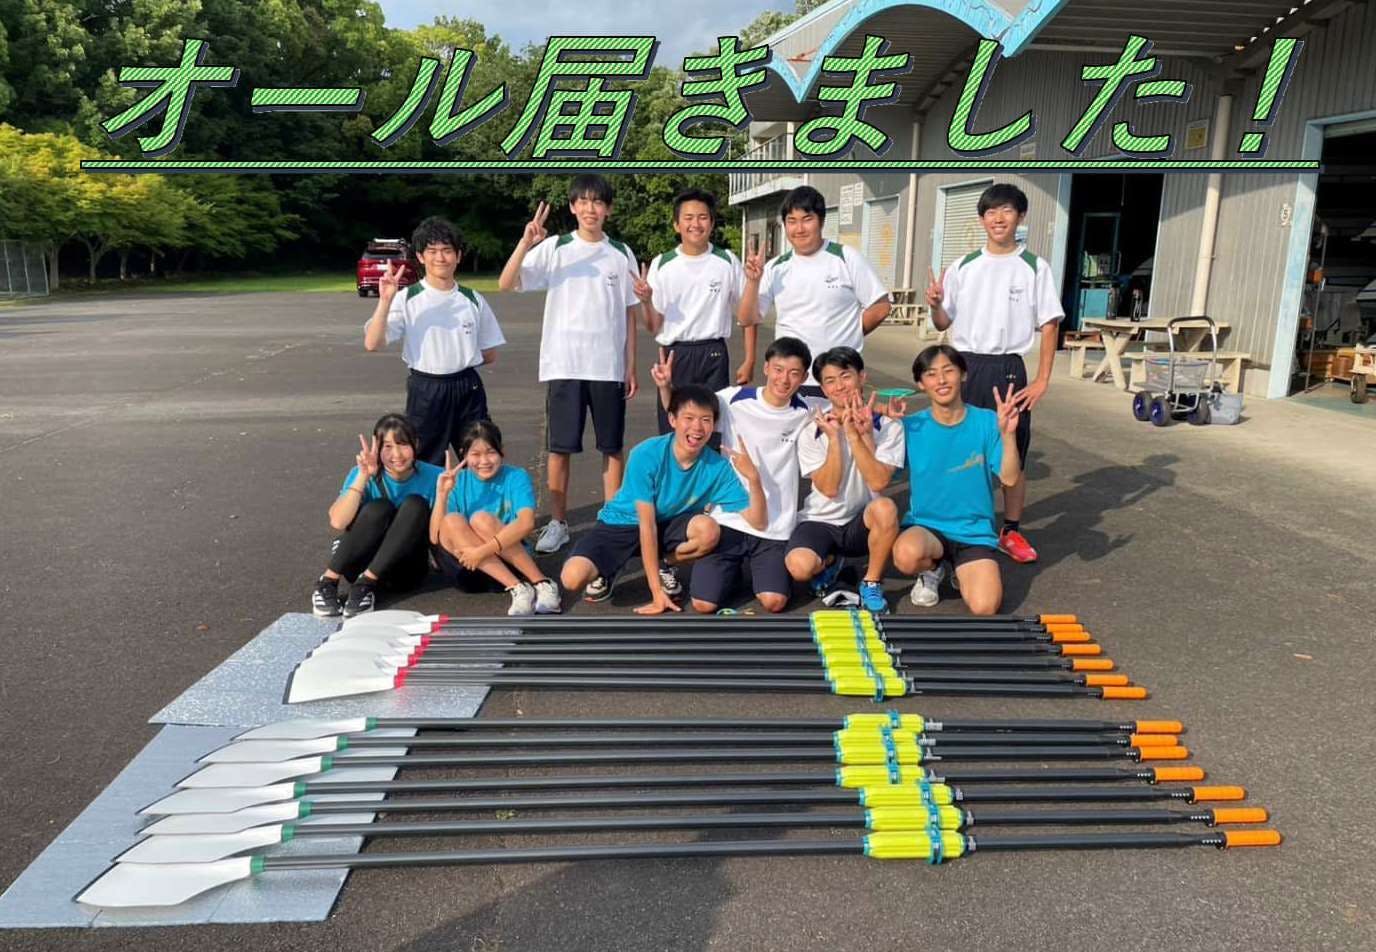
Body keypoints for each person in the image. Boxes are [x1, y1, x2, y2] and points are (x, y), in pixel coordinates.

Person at [499, 175, 640, 555]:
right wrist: (526, 242)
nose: (591, 209)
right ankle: (558, 522)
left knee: (611, 447)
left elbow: (629, 313)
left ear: (608, 209)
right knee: (559, 448)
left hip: (607, 366)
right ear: (573, 206)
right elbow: (507, 283)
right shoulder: (556, 247)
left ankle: (612, 520)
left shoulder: (621, 253)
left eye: (598, 202)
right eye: (584, 202)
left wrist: (630, 364)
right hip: (564, 364)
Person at [926, 182, 1063, 563]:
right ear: (981, 219)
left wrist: (1042, 379)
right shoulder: (963, 266)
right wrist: (936, 304)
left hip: (1007, 368)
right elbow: (942, 322)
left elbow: (1050, 324)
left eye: (1006, 211)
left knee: (1011, 453)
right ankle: (961, 526)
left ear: (1020, 216)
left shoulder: (1034, 266)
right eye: (990, 212)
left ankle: (1011, 530)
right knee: (961, 450)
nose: (998, 218)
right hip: (964, 365)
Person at [559, 385, 766, 614]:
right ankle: (608, 568)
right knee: (572, 578)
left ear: (714, 424)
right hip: (622, 523)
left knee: (708, 530)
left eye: (705, 420)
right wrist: (656, 593)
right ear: (672, 420)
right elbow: (646, 525)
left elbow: (757, 521)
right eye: (689, 418)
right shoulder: (647, 454)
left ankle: (665, 564)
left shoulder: (717, 467)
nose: (697, 427)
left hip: (666, 525)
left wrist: (753, 478)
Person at [648, 337, 815, 615]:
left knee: (774, 602)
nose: (784, 379)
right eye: (778, 369)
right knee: (703, 604)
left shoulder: (807, 411)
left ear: (804, 377)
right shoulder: (734, 399)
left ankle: (753, 572)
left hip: (774, 525)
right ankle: (732, 572)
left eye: (793, 373)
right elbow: (686, 412)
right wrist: (666, 386)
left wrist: (882, 410)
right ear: (766, 368)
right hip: (729, 518)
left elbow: (845, 405)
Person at [891, 345, 1022, 615]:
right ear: (920, 383)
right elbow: (879, 476)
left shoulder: (989, 421)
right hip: (927, 528)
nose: (941, 380)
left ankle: (961, 571)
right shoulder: (911, 426)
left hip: (974, 533)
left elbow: (1009, 478)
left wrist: (1008, 435)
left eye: (948, 371)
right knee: (905, 555)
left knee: (985, 607)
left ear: (963, 374)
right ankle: (933, 569)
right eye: (931, 374)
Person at [365, 217, 506, 466]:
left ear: (458, 256)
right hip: (426, 390)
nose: (440, 258)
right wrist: (385, 300)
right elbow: (372, 343)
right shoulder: (407, 298)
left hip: (467, 389)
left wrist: (457, 361)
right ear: (420, 256)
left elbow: (490, 353)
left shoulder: (472, 299)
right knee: (423, 461)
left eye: (447, 250)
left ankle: (476, 494)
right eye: (432, 251)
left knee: (479, 455)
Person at [784, 347, 904, 614]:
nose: (839, 386)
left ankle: (871, 582)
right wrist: (835, 439)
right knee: (799, 567)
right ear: (823, 390)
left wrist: (856, 435)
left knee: (886, 508)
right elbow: (828, 488)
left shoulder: (888, 426)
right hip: (820, 520)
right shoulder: (814, 429)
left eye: (845, 376)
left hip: (862, 522)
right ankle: (829, 561)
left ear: (862, 377)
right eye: (830, 381)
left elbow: (878, 482)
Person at [738, 185, 891, 393]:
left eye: (807, 219)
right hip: (791, 380)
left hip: (839, 380)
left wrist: (851, 333)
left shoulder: (845, 257)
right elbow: (747, 319)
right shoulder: (775, 267)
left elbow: (880, 306)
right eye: (792, 221)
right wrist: (753, 282)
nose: (799, 228)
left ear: (821, 221)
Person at [634, 188, 750, 443]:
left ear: (712, 223)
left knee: (712, 430)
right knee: (674, 430)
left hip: (714, 354)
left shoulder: (727, 261)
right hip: (675, 355)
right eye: (688, 218)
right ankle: (674, 471)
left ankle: (710, 471)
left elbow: (747, 314)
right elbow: (653, 326)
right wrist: (645, 301)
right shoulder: (662, 263)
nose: (695, 224)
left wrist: (749, 358)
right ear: (677, 224)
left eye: (702, 217)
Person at [312, 414, 442, 618]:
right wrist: (363, 476)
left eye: (403, 444)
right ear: (377, 449)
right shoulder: (362, 472)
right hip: (363, 560)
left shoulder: (436, 476)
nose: (396, 454)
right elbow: (338, 521)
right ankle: (327, 582)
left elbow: (439, 534)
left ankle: (365, 583)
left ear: (416, 444)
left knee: (415, 504)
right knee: (379, 508)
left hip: (406, 569)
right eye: (387, 446)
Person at [430, 420, 561, 616]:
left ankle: (541, 582)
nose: (484, 461)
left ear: (502, 451)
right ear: (464, 455)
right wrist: (441, 494)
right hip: (469, 567)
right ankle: (519, 589)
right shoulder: (457, 481)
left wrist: (481, 552)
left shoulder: (516, 476)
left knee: (480, 519)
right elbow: (435, 537)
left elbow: (526, 523)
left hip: (511, 562)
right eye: (475, 454)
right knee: (451, 520)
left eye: (490, 452)